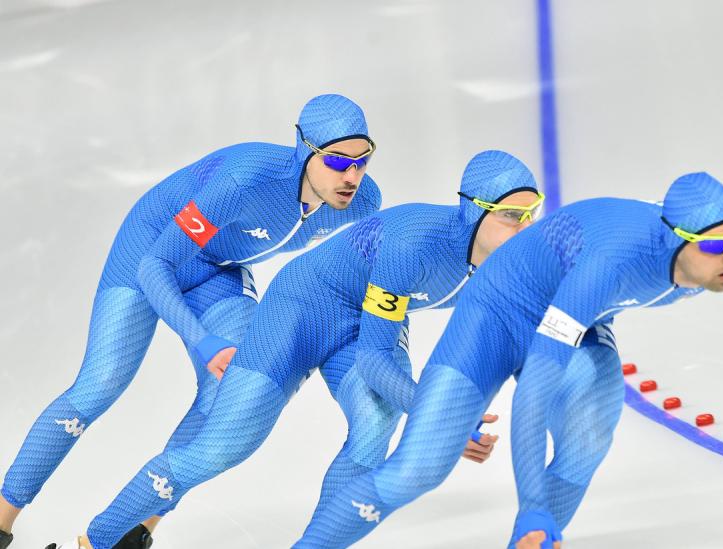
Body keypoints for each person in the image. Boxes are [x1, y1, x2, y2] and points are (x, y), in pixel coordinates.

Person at [55, 150, 544, 549]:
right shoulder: (412, 245)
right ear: (474, 210)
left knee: (374, 430)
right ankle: (98, 541)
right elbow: (375, 361)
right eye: (510, 216)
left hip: (368, 322)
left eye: (532, 214)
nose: (525, 230)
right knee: (223, 446)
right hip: (304, 306)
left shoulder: (516, 265)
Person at [0, 94, 381, 549]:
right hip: (150, 250)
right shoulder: (245, 181)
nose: (351, 176)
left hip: (217, 269)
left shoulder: (362, 203)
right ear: (304, 149)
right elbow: (155, 267)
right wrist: (201, 340)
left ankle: (130, 532)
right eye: (337, 161)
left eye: (362, 160)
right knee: (101, 383)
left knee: (227, 393)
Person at [295, 172, 723, 549]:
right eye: (715, 246)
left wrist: (532, 521)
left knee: (590, 435)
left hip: (577, 315)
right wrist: (531, 504)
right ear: (675, 238)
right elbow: (534, 392)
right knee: (418, 467)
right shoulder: (609, 265)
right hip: (495, 314)